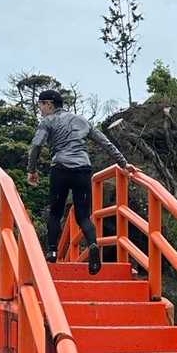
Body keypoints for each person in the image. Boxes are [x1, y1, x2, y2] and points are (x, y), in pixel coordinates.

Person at [26, 89, 135, 271]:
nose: (40, 110)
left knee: (55, 213)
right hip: (83, 169)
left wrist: (31, 170)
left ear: (49, 104)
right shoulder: (82, 120)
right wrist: (124, 164)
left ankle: (52, 252)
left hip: (60, 169)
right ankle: (93, 244)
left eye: (41, 106)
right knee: (83, 216)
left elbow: (36, 144)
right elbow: (105, 142)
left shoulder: (48, 121)